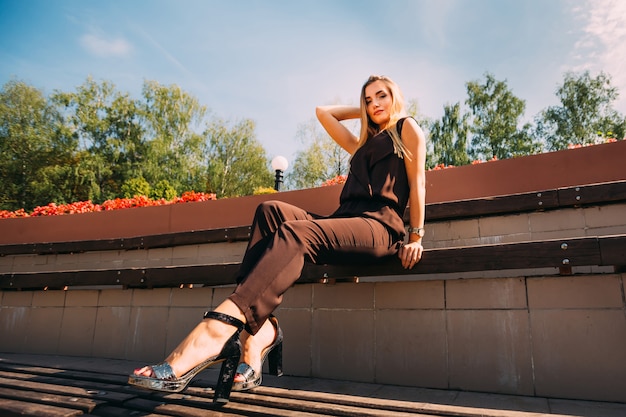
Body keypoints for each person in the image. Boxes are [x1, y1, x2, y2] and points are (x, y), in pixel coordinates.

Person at [128, 74, 427, 405]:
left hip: (379, 227)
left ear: (395, 96)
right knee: (271, 211)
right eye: (368, 100)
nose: (374, 105)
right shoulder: (361, 144)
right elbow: (323, 112)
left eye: (381, 96)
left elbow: (419, 184)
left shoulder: (406, 129)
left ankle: (216, 332)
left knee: (296, 232)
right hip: (345, 222)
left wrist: (416, 235)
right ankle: (259, 332)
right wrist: (363, 111)